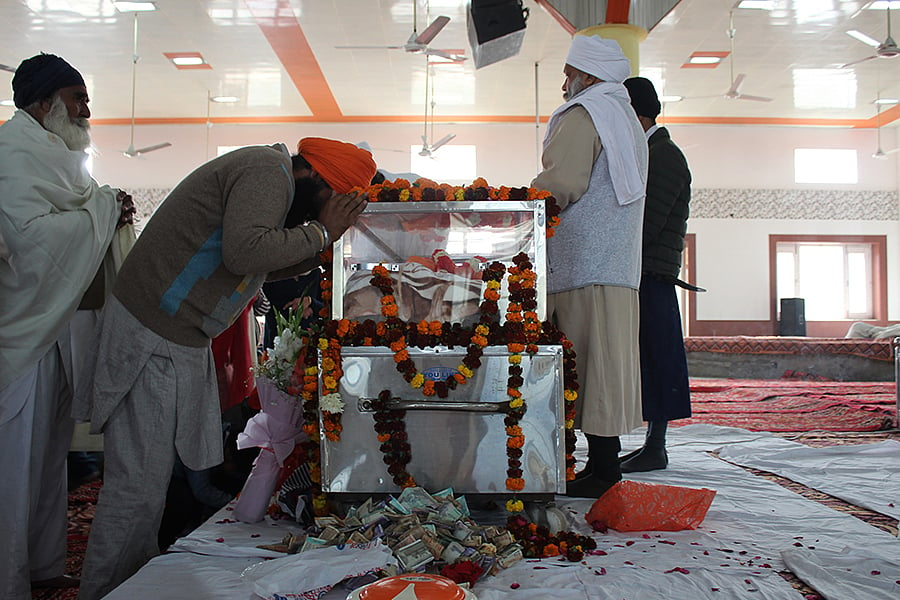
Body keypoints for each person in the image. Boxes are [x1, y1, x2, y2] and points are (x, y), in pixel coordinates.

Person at [73, 137, 375, 600]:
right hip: (154, 332)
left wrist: (320, 247)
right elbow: (245, 253)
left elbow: (251, 268)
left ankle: (125, 587)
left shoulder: (273, 179)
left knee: (150, 488)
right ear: (315, 178)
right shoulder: (266, 171)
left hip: (174, 335)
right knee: (137, 487)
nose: (329, 213)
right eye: (335, 202)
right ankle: (103, 592)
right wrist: (320, 232)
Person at [0, 53, 134, 599]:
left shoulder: (62, 156)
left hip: (55, 331)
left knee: (50, 458)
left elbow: (77, 220)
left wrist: (107, 209)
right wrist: (102, 210)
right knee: (14, 467)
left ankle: (43, 563)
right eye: (77, 98)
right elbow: (31, 245)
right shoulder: (12, 155)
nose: (87, 109)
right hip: (21, 335)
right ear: (44, 103)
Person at [532, 35, 648, 498]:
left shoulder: (586, 113)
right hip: (614, 266)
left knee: (580, 370)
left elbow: (560, 182)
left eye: (568, 71)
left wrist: (519, 205)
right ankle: (602, 466)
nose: (564, 80)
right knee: (602, 369)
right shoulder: (623, 118)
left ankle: (596, 470)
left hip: (581, 265)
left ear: (587, 75)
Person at [618, 77, 693, 473]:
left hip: (653, 275)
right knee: (647, 357)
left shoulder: (664, 157)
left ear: (638, 115)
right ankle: (651, 445)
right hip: (643, 272)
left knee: (659, 357)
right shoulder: (650, 153)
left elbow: (646, 225)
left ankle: (656, 447)